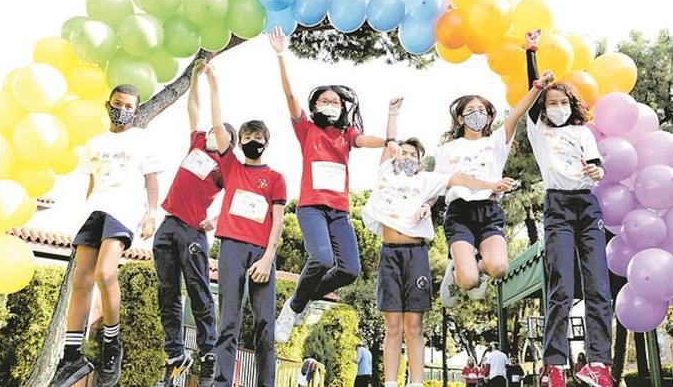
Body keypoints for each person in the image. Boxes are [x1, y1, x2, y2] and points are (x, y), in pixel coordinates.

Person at [362, 98, 512, 387]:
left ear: (420, 161)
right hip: (389, 254)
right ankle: (391, 383)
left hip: (416, 254)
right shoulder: (385, 174)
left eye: (412, 154)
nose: (405, 156)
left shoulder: (427, 180)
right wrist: (392, 113)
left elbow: (459, 178)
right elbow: (389, 143)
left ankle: (415, 383)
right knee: (393, 326)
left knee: (413, 326)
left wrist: (491, 185)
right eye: (401, 152)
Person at [269, 26, 403, 343]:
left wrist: (390, 134)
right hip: (312, 208)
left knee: (350, 270)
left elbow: (367, 139)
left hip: (339, 212)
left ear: (344, 108)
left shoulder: (345, 135)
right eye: (324, 100)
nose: (330, 103)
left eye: (336, 101)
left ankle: (297, 302)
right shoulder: (307, 129)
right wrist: (280, 56)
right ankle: (293, 310)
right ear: (315, 106)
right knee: (322, 259)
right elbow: (289, 96)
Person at [49, 84, 163, 387]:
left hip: (122, 211)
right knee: (80, 280)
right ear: (107, 104)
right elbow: (91, 183)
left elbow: (152, 180)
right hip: (95, 212)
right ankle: (72, 356)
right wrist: (85, 212)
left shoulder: (141, 140)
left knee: (105, 272)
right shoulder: (94, 143)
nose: (122, 109)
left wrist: (151, 213)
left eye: (128, 105)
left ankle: (112, 344)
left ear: (135, 111)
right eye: (117, 103)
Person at [435, 32, 554, 308]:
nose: (477, 114)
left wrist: (537, 87)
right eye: (471, 110)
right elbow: (450, 181)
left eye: (483, 110)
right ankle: (457, 272)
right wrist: (490, 184)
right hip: (460, 213)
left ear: (489, 117)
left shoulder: (496, 142)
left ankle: (477, 264)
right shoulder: (446, 150)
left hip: (488, 212)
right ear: (461, 117)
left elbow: (517, 112)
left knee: (499, 268)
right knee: (468, 282)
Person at [524, 31, 613, 387]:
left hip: (587, 207)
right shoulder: (538, 130)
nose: (557, 107)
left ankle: (599, 364)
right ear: (544, 109)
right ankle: (556, 364)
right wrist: (530, 53)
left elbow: (595, 165)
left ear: (571, 105)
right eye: (551, 103)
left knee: (598, 288)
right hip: (557, 207)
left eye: (563, 102)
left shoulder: (583, 132)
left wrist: (599, 170)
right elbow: (529, 91)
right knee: (561, 284)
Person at [155, 61, 237, 387]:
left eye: (223, 135)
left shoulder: (226, 164)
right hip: (167, 226)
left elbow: (236, 199)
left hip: (192, 230)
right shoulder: (198, 144)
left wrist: (215, 219)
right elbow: (194, 108)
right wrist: (194, 79)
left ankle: (208, 351)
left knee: (198, 290)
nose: (216, 135)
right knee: (167, 292)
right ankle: (175, 354)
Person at [205, 65, 287, 387]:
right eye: (248, 137)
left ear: (267, 142)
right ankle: (222, 381)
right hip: (231, 249)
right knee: (229, 321)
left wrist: (268, 258)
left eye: (259, 137)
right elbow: (216, 124)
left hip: (262, 253)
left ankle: (266, 383)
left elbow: (278, 220)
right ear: (239, 142)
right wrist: (214, 84)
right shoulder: (232, 167)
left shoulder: (276, 178)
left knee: (265, 323)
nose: (254, 141)